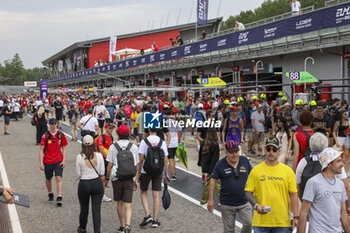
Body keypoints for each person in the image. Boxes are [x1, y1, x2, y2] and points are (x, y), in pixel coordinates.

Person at [245, 137, 299, 233]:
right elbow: (248, 193)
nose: (271, 152)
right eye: (268, 149)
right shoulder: (255, 171)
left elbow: (293, 195)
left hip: (281, 222)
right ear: (265, 150)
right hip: (261, 222)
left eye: (274, 149)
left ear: (279, 151)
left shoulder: (288, 171)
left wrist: (295, 216)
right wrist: (256, 205)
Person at [298, 148, 350, 233]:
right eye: (338, 161)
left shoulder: (340, 184)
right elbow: (304, 213)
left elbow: (343, 214)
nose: (342, 164)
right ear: (328, 164)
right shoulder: (313, 182)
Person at [207, 140, 252, 233]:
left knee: (249, 223)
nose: (234, 155)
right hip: (227, 203)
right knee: (229, 230)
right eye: (231, 152)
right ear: (226, 152)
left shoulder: (245, 161)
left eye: (236, 151)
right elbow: (212, 181)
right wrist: (210, 199)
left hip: (244, 201)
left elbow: (254, 176)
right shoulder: (220, 164)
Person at [105, 125, 139, 233]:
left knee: (119, 203)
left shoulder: (113, 146)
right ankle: (128, 224)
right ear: (128, 134)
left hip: (117, 178)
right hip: (129, 178)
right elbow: (136, 164)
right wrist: (136, 179)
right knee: (128, 204)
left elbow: (110, 165)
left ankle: (122, 225)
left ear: (118, 135)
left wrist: (107, 179)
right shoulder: (133, 147)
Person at [136, 128, 169, 228]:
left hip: (145, 170)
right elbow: (165, 159)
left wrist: (138, 174)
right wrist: (166, 173)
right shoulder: (162, 142)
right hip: (158, 170)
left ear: (149, 130)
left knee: (143, 192)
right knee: (156, 195)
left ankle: (147, 215)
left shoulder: (144, 142)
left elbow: (141, 159)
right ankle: (155, 220)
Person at [76, 135, 105, 233]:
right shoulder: (99, 156)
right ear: (94, 144)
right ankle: (97, 231)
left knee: (84, 208)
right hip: (96, 182)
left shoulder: (79, 157)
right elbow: (102, 172)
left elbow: (78, 174)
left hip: (84, 183)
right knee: (96, 210)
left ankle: (82, 228)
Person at [39, 118, 68, 207]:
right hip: (47, 160)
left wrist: (64, 160)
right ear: (49, 125)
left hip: (58, 160)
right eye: (51, 124)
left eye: (54, 124)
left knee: (58, 178)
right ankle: (50, 193)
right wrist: (41, 162)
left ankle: (59, 196)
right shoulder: (45, 135)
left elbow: (64, 147)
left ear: (56, 124)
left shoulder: (61, 135)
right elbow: (41, 149)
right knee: (48, 179)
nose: (53, 126)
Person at [200, 127, 221, 205]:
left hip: (205, 166)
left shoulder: (203, 142)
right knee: (217, 184)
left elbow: (200, 156)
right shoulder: (215, 144)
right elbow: (215, 159)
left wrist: (200, 165)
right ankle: (219, 201)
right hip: (213, 168)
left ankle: (204, 200)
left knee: (208, 184)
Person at [95, 123, 115, 202]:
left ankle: (101, 192)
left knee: (106, 177)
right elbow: (101, 149)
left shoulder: (111, 137)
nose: (111, 130)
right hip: (102, 160)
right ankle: (102, 194)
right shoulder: (101, 137)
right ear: (106, 128)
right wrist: (108, 158)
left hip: (108, 160)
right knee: (102, 178)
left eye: (112, 128)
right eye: (110, 128)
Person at [333, 110, 350, 175]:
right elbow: (334, 132)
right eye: (345, 114)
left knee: (347, 155)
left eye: (347, 114)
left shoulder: (349, 122)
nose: (346, 115)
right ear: (341, 115)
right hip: (340, 138)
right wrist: (336, 140)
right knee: (338, 155)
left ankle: (346, 171)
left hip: (347, 138)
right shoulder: (338, 122)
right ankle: (337, 170)